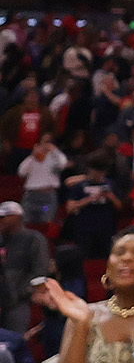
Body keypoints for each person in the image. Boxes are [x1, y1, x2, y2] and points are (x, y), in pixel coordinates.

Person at [41, 227, 134, 363]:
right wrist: (80, 325)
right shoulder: (86, 313)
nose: (126, 258)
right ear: (107, 270)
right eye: (119, 252)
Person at [0, 201, 51, 333]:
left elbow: (40, 270)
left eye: (3, 217)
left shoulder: (33, 239)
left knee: (15, 341)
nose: (0, 221)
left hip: (19, 302)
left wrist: (22, 292)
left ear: (16, 217)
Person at [63, 153, 125, 259]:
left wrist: (110, 197)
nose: (100, 174)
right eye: (97, 171)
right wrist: (89, 199)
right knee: (85, 258)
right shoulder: (80, 186)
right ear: (90, 169)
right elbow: (70, 207)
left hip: (106, 228)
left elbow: (120, 206)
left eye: (102, 171)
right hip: (85, 228)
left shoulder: (110, 184)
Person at [18, 135, 67, 227]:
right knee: (26, 222)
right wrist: (32, 156)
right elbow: (21, 172)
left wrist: (55, 151)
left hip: (46, 200)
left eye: (48, 142)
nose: (46, 145)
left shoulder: (55, 158)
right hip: (31, 198)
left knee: (46, 221)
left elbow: (62, 164)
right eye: (44, 142)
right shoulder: (31, 159)